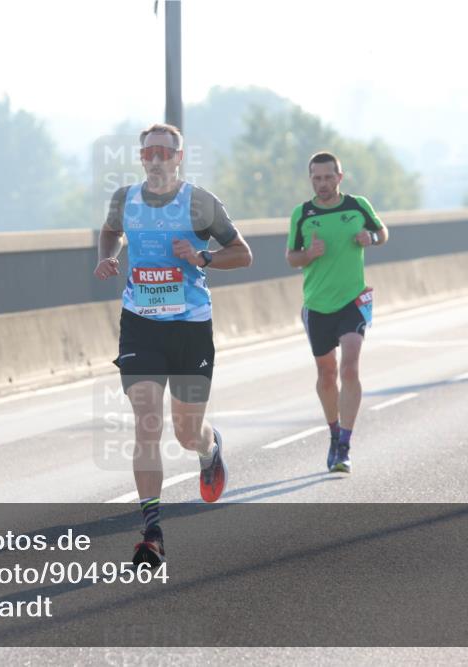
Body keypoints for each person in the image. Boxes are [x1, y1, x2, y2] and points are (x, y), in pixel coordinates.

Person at [94, 123, 252, 566]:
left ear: (179, 158)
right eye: (150, 153)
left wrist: (203, 257)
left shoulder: (199, 202)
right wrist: (108, 256)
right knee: (147, 421)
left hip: (190, 326)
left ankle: (209, 448)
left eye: (166, 152)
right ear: (140, 158)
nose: (157, 159)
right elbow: (110, 230)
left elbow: (243, 253)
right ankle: (152, 530)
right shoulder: (124, 198)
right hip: (140, 323)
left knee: (186, 433)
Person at [286, 152, 388, 474]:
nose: (323, 184)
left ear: (340, 177)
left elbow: (383, 233)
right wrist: (309, 254)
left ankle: (345, 444)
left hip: (352, 300)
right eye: (317, 178)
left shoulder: (357, 206)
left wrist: (369, 238)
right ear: (311, 179)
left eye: (329, 177)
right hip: (317, 304)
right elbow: (291, 258)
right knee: (327, 375)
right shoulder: (302, 214)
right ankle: (333, 434)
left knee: (350, 367)